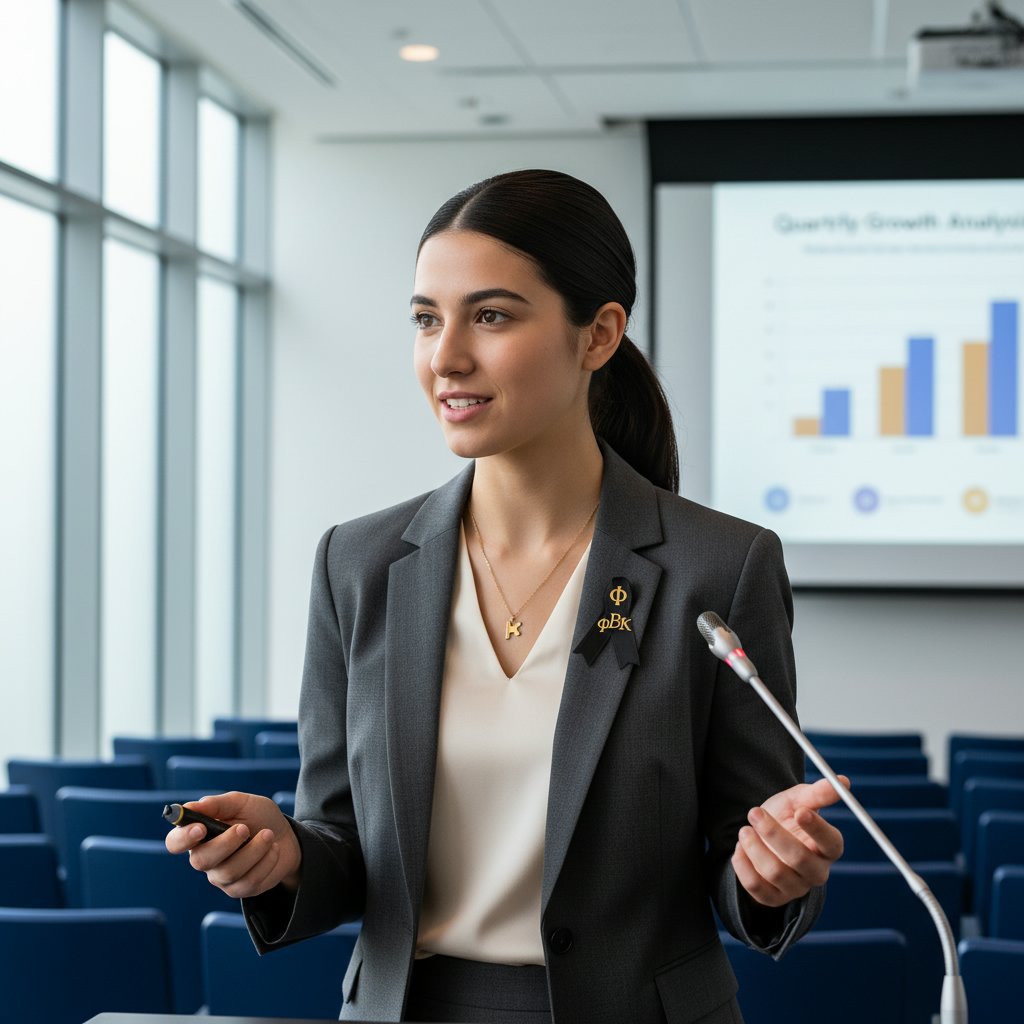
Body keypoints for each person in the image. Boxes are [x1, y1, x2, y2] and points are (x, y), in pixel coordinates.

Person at [166, 168, 845, 1024]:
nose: (446, 355)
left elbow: (744, 850)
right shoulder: (359, 563)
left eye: (490, 316)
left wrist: (771, 873)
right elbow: (340, 843)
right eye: (425, 319)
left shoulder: (721, 565)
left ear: (598, 335)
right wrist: (281, 853)